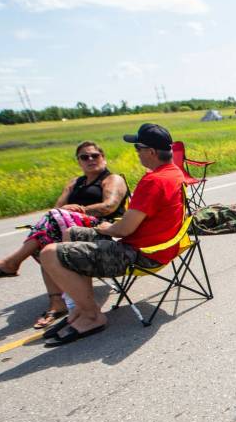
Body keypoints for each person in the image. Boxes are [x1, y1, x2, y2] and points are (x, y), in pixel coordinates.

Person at [38, 123, 185, 346]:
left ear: (151, 152)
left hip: (140, 254)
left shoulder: (153, 181)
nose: (137, 153)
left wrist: (103, 228)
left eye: (138, 148)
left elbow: (124, 229)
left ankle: (92, 316)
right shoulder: (174, 173)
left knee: (49, 253)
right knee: (71, 232)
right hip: (164, 246)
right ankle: (81, 308)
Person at [0, 141, 129, 329]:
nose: (90, 159)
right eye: (84, 157)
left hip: (100, 231)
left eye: (95, 155)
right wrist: (66, 212)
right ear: (78, 162)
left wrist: (79, 211)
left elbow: (109, 206)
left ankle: (12, 263)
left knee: (50, 228)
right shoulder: (74, 183)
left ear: (104, 158)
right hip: (69, 230)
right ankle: (56, 302)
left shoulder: (111, 179)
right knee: (47, 240)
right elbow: (57, 209)